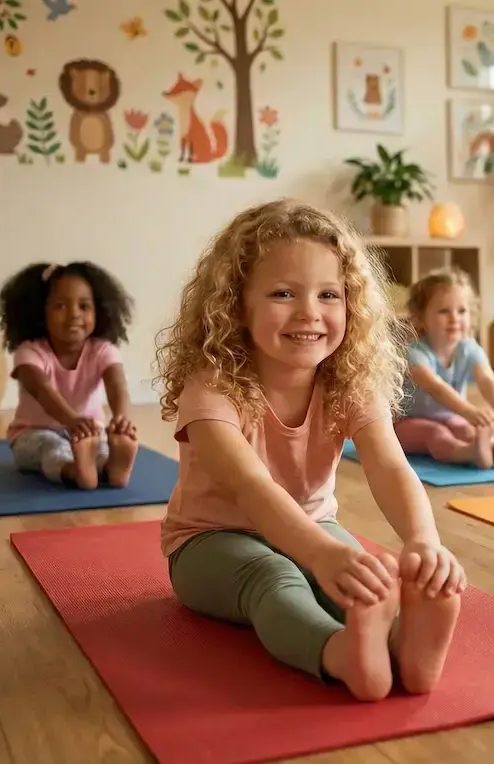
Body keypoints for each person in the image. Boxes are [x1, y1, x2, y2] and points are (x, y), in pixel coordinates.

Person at [154, 199, 465, 702]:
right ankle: (337, 654)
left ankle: (399, 644)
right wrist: (322, 555)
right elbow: (252, 489)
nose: (309, 313)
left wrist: (423, 540)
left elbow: (389, 465)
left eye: (328, 295)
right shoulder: (212, 389)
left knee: (366, 576)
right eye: (282, 293)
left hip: (314, 526)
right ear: (236, 306)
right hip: (210, 541)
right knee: (274, 576)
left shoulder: (348, 384)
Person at [0, 261, 137, 489]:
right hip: (33, 433)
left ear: (98, 310)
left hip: (88, 432)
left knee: (101, 447)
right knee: (52, 450)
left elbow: (116, 384)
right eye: (60, 306)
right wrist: (71, 420)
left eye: (84, 306)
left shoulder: (103, 349)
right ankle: (76, 471)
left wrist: (121, 417)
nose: (73, 314)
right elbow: (42, 390)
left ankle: (112, 468)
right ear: (40, 312)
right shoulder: (29, 352)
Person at [396, 268, 494, 469]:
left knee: (469, 431)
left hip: (451, 417)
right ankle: (469, 453)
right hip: (405, 423)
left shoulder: (469, 348)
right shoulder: (414, 353)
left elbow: (488, 380)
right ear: (421, 317)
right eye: (444, 311)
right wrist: (469, 411)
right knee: (436, 435)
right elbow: (436, 387)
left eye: (462, 311)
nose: (454, 318)